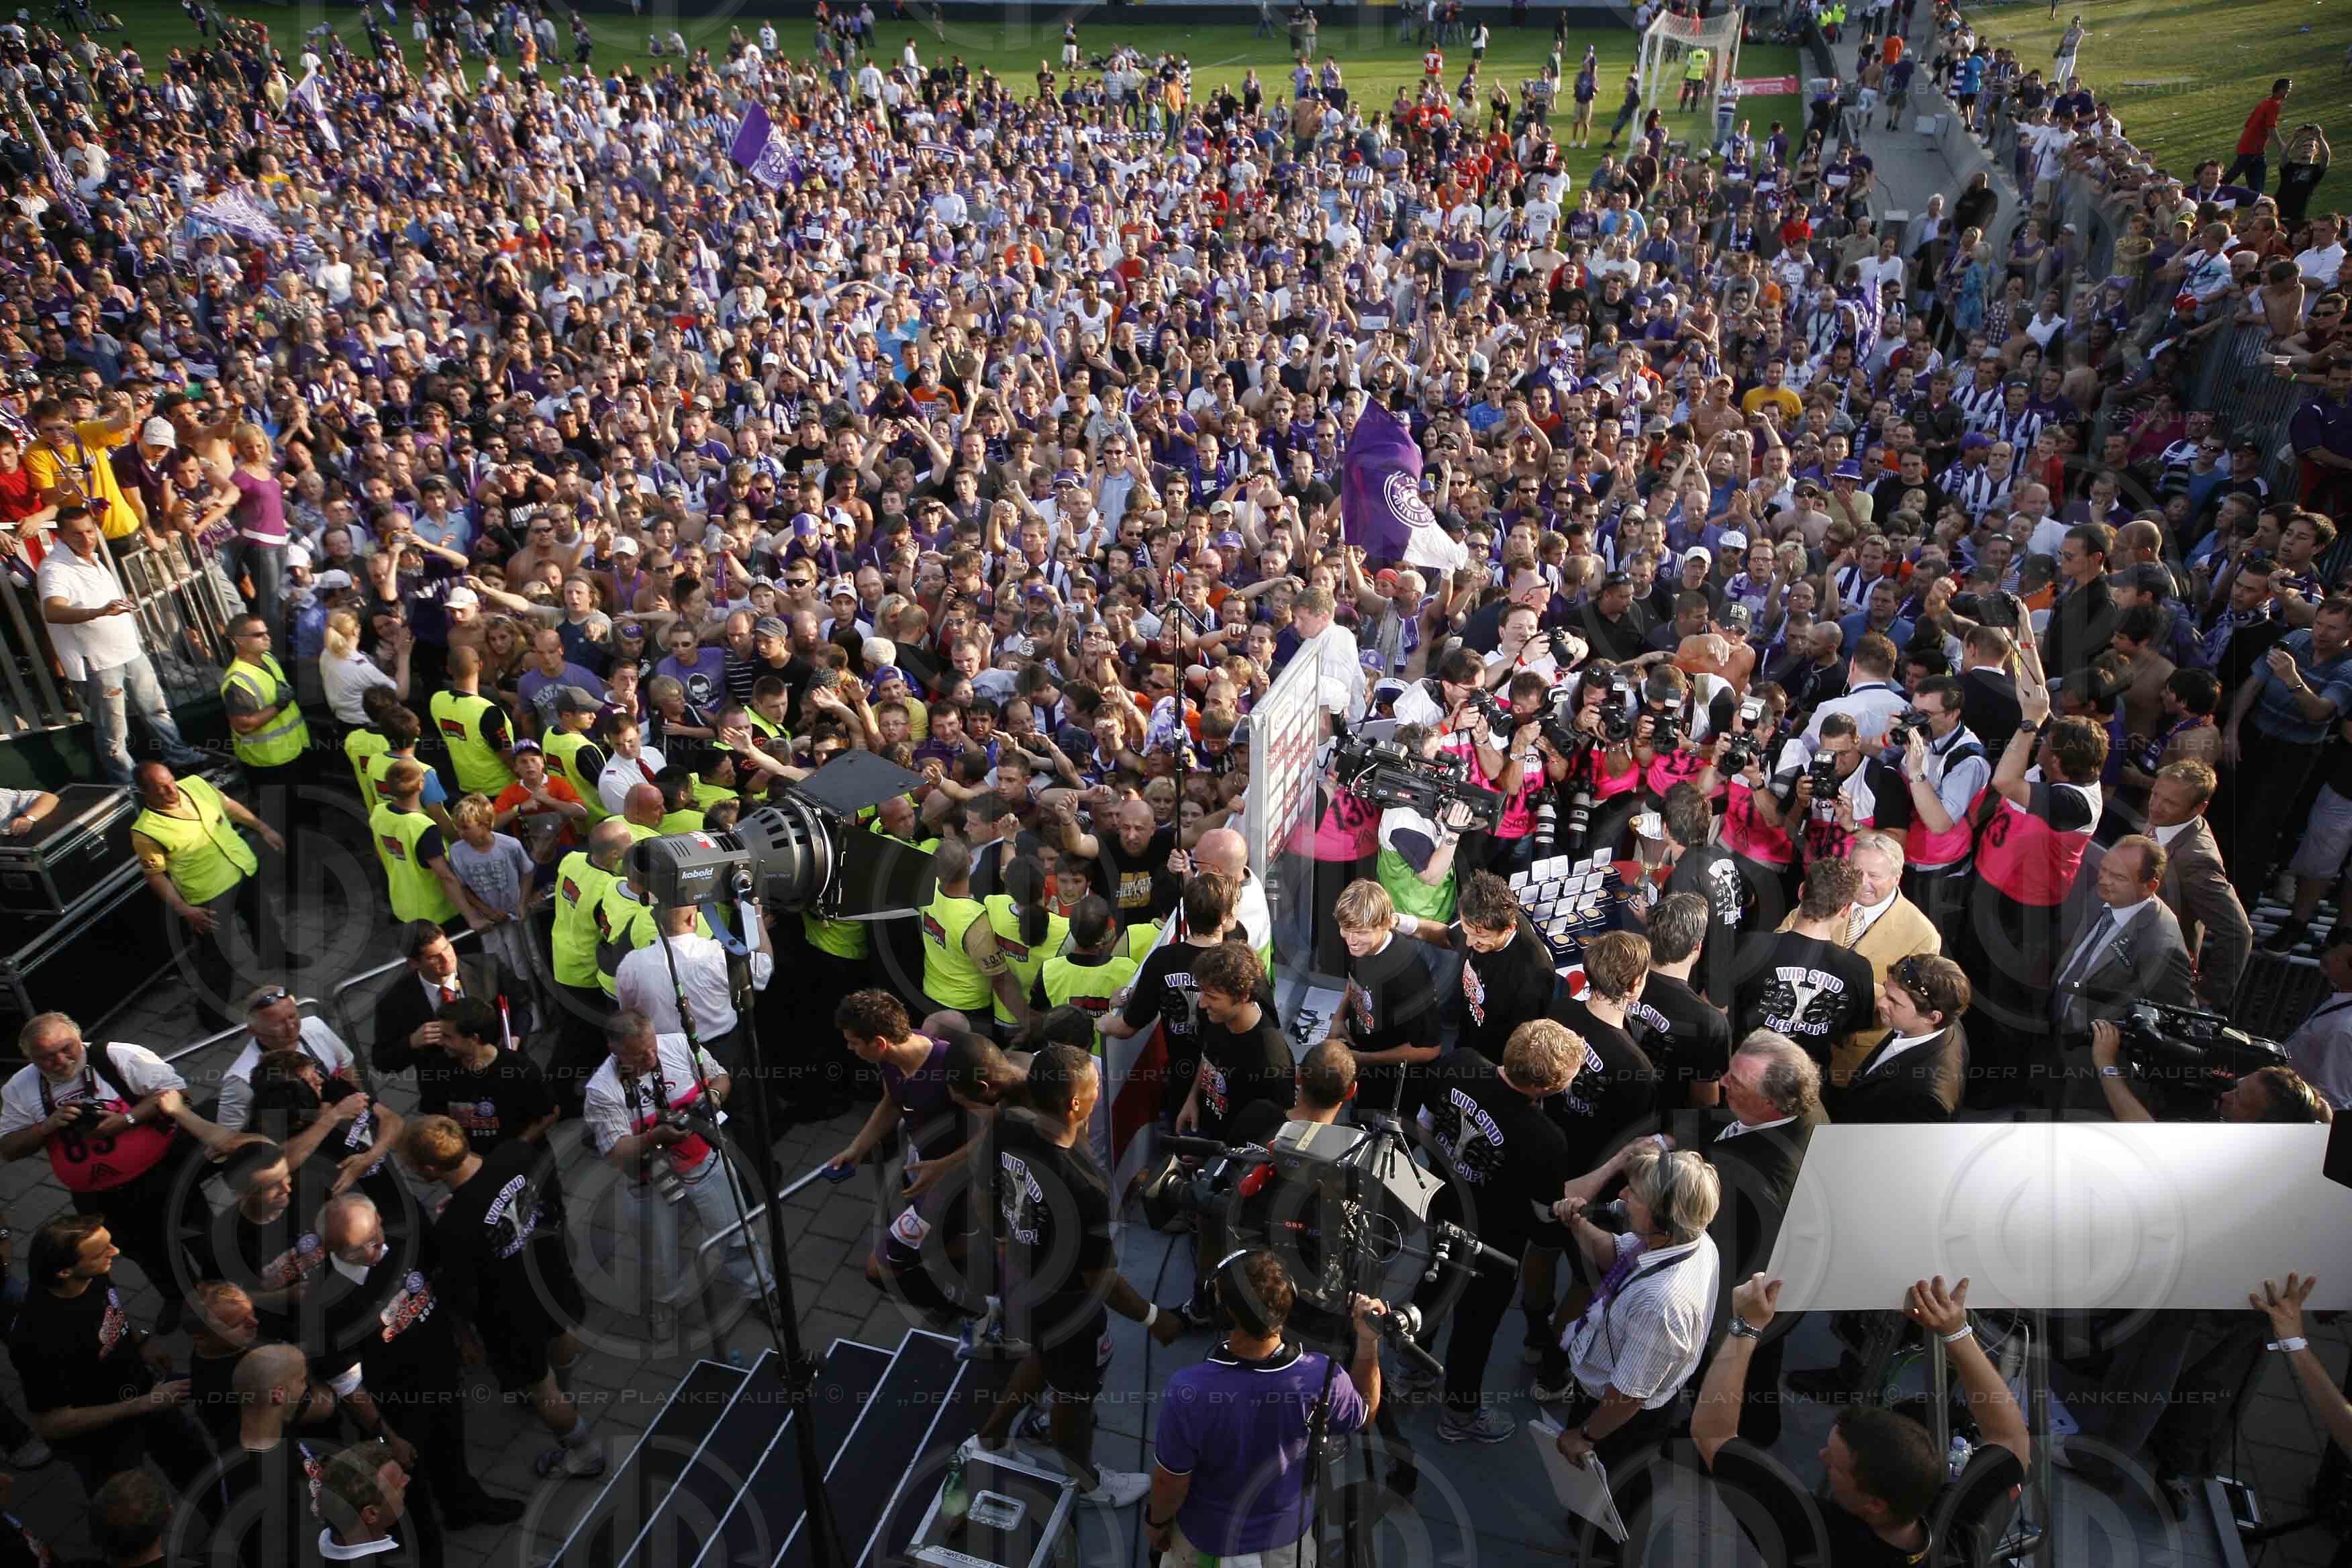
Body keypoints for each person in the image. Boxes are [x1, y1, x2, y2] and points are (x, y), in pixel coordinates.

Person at [1693, 1273, 2031, 1565]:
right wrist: (1954, 1330)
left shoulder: (1814, 1537)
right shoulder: (1955, 1539)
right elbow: (2010, 1440)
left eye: (1836, 1463)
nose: (1822, 1457)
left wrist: (1745, 1326)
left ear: (1875, 1504)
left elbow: (1712, 1435)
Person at [969, 1040, 1179, 1507]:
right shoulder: (1086, 1186)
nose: (1100, 1091)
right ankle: (1086, 1484)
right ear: (1075, 1104)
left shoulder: (1008, 1123)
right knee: (1075, 1395)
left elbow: (983, 1187)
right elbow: (1098, 1279)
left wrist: (1004, 1239)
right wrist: (1153, 1318)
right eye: (1095, 1087)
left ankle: (990, 1438)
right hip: (1067, 1308)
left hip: (1021, 1284)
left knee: (1042, 1358)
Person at [395, 1115, 601, 1479]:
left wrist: (466, 1336)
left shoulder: (453, 1227)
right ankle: (566, 1389)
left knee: (541, 1391)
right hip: (553, 1276)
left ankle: (585, 1455)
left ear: (430, 1170)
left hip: (513, 1314)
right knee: (562, 1333)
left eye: (411, 1166)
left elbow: (460, 1291)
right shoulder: (516, 1153)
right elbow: (549, 1197)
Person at [1145, 1251, 1381, 1568]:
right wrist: (1368, 1341)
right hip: (1287, 1547)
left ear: (1224, 1313)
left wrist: (1157, 1523)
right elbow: (1365, 1412)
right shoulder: (1322, 1377)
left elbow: (1170, 1483)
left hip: (1207, 1546)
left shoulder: (1188, 1389)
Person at [311, 1192, 526, 1534]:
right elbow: (347, 1385)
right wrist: (387, 1434)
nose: (376, 1250)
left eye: (376, 1236)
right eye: (360, 1249)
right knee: (407, 1480)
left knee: (451, 1445)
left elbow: (439, 1285)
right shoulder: (326, 1304)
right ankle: (417, 1539)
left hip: (441, 1374)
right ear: (331, 1249)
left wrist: (464, 1337)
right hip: (395, 1403)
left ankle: (463, 1506)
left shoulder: (403, 1243)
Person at [1544, 1145, 1723, 1550]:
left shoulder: (1664, 1304)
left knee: (1614, 1494)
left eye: (1636, 1194)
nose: (1623, 1196)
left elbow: (1627, 1396)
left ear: (1665, 1216)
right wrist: (1578, 1225)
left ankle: (1607, 1551)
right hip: (1616, 1399)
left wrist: (1586, 1435)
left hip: (1619, 1417)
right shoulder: (1685, 1238)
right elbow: (1617, 1255)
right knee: (1603, 1491)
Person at [1412, 1017, 1577, 1444]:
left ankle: (1410, 1371)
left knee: (1431, 1284)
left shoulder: (1461, 1062)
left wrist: (1445, 1172)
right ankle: (1459, 1414)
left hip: (1441, 1207)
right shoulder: (1546, 1138)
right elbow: (1543, 1214)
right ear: (1548, 1087)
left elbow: (1424, 1123)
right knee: (1476, 1325)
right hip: (1494, 1245)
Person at [0, 1016, 224, 1329]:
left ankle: (221, 1291)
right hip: (98, 1195)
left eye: (67, 1049)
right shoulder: (20, 1088)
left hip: (162, 1173)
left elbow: (179, 1093)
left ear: (80, 1039)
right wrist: (46, 1127)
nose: (60, 1061)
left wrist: (127, 1120)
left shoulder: (119, 1057)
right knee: (142, 1250)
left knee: (197, 1232)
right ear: (30, 1058)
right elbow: (9, 1149)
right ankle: (178, 1297)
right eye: (47, 1057)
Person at [583, 1010, 779, 1336]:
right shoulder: (602, 1090)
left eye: (652, 1047)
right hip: (647, 1181)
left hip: (704, 1160)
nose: (650, 1057)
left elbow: (720, 1078)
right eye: (639, 1054)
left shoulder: (677, 1044)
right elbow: (616, 1151)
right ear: (615, 1051)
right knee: (659, 1253)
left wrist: (713, 1096)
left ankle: (760, 1289)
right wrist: (655, 1138)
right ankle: (664, 1303)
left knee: (735, 1232)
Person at [6, 1215, 210, 1496]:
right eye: (102, 1252)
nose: (115, 1252)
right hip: (101, 1440)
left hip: (145, 1393)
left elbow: (111, 1310)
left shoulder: (94, 1274)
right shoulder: (36, 1338)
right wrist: (144, 1404)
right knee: (127, 1504)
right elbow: (51, 1424)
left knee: (198, 1469)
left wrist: (140, 1342)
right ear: (64, 1272)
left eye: (110, 1244)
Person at [35, 504, 207, 785]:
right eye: (77, 534)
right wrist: (99, 612)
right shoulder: (54, 569)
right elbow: (52, 611)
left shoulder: (94, 559)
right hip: (99, 664)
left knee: (157, 711)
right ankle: (128, 785)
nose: (86, 538)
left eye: (90, 531)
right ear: (61, 535)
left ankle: (180, 758)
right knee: (113, 735)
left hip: (130, 652)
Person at [128, 760, 300, 1028]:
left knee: (263, 919)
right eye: (161, 788)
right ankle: (212, 1016)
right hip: (207, 896)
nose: (172, 791)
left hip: (242, 869)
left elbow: (229, 807)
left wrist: (262, 827)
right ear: (144, 791)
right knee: (216, 959)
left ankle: (275, 956)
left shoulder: (196, 785)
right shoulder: (146, 831)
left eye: (171, 782)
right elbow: (155, 876)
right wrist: (184, 910)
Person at [1732, 858, 1877, 1069]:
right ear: (1846, 910)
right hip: (1809, 1079)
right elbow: (1847, 1036)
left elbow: (1719, 1009)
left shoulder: (1749, 946)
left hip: (1745, 1069)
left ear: (1801, 891)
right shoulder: (1859, 970)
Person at [1825, 954, 1971, 1122]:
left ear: (1932, 1017)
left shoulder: (1928, 1099)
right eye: (1886, 991)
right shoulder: (1937, 1020)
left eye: (1894, 1002)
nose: (1881, 1003)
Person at [412, 996, 556, 1156]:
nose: (440, 1042)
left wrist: (515, 1149)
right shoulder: (438, 1068)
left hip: (526, 1160)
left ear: (474, 1039)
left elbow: (549, 1114)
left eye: (448, 1037)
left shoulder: (519, 1070)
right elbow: (434, 1116)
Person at [218, 610, 311, 846]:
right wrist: (279, 705)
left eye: (266, 632)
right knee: (286, 820)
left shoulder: (268, 659)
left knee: (305, 810)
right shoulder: (238, 681)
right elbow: (244, 725)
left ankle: (314, 848)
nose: (266, 637)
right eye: (258, 635)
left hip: (293, 752)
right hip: (270, 763)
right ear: (239, 641)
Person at [217, 982, 360, 1133]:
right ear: (254, 1031)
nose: (291, 1027)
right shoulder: (241, 1079)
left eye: (292, 1016)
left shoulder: (315, 1027)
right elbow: (228, 1137)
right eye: (277, 1024)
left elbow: (346, 1067)